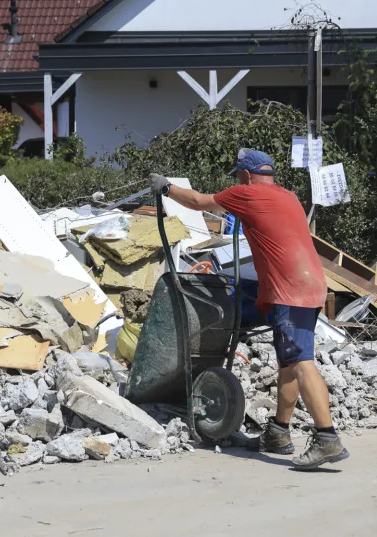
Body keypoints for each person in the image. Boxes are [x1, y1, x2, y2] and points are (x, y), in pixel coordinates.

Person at [149, 149, 349, 470]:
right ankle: (278, 433)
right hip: (311, 284)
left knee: (300, 361)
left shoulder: (245, 193)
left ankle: (327, 437)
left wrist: (166, 188)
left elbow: (200, 202)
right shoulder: (288, 196)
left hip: (291, 289)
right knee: (289, 361)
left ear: (244, 175)